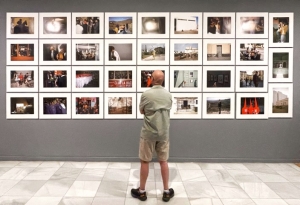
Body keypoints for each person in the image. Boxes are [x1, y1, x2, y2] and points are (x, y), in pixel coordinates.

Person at [131, 70, 174, 202]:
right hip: (163, 133)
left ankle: (142, 191)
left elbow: (142, 110)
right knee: (163, 161)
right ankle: (166, 191)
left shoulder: (146, 94)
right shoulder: (168, 95)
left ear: (152, 79)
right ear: (163, 80)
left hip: (148, 132)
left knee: (145, 161)